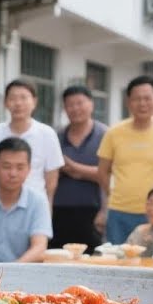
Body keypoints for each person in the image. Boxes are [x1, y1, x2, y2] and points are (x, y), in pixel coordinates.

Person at [97, 76, 153, 244]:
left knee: (151, 264)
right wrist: (112, 195)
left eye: (147, 98)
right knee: (117, 262)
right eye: (137, 99)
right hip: (119, 211)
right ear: (128, 102)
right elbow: (102, 172)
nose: (142, 104)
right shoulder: (114, 132)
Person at [0, 80, 64, 203]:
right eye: (13, 98)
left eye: (24, 98)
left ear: (34, 102)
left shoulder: (47, 134)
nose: (18, 103)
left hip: (34, 205)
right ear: (5, 103)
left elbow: (51, 181)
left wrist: (47, 210)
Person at [52, 85, 108, 251]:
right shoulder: (56, 136)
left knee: (91, 262)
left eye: (80, 103)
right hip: (59, 211)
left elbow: (110, 175)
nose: (75, 109)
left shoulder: (105, 135)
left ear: (91, 104)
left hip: (93, 211)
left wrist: (75, 168)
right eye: (70, 104)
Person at [0, 138, 52, 262]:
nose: (13, 173)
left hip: (21, 273)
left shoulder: (38, 201)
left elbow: (39, 247)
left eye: (20, 167)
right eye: (6, 167)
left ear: (29, 169)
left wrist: (12, 270)